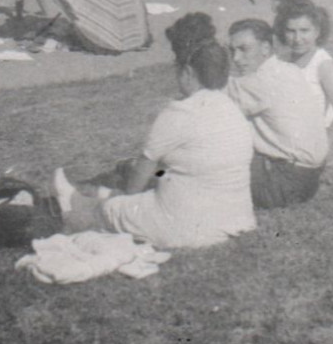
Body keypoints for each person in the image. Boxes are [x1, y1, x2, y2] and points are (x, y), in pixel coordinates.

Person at [52, 21, 256, 250]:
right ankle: (92, 197)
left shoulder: (180, 112)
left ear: (188, 72)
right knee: (150, 190)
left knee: (114, 209)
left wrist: (125, 196)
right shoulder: (233, 112)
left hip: (186, 227)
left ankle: (74, 208)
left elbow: (139, 178)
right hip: (236, 219)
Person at [227, 18, 328, 209]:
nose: (236, 58)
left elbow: (212, 98)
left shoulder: (260, 81)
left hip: (283, 181)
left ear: (265, 48)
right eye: (232, 51)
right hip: (310, 178)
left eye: (244, 49)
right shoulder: (289, 69)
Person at [274, 0, 333, 147]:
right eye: (291, 31)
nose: (297, 39)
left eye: (304, 31)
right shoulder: (281, 60)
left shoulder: (323, 65)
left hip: (308, 139)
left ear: (317, 31)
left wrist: (322, 146)